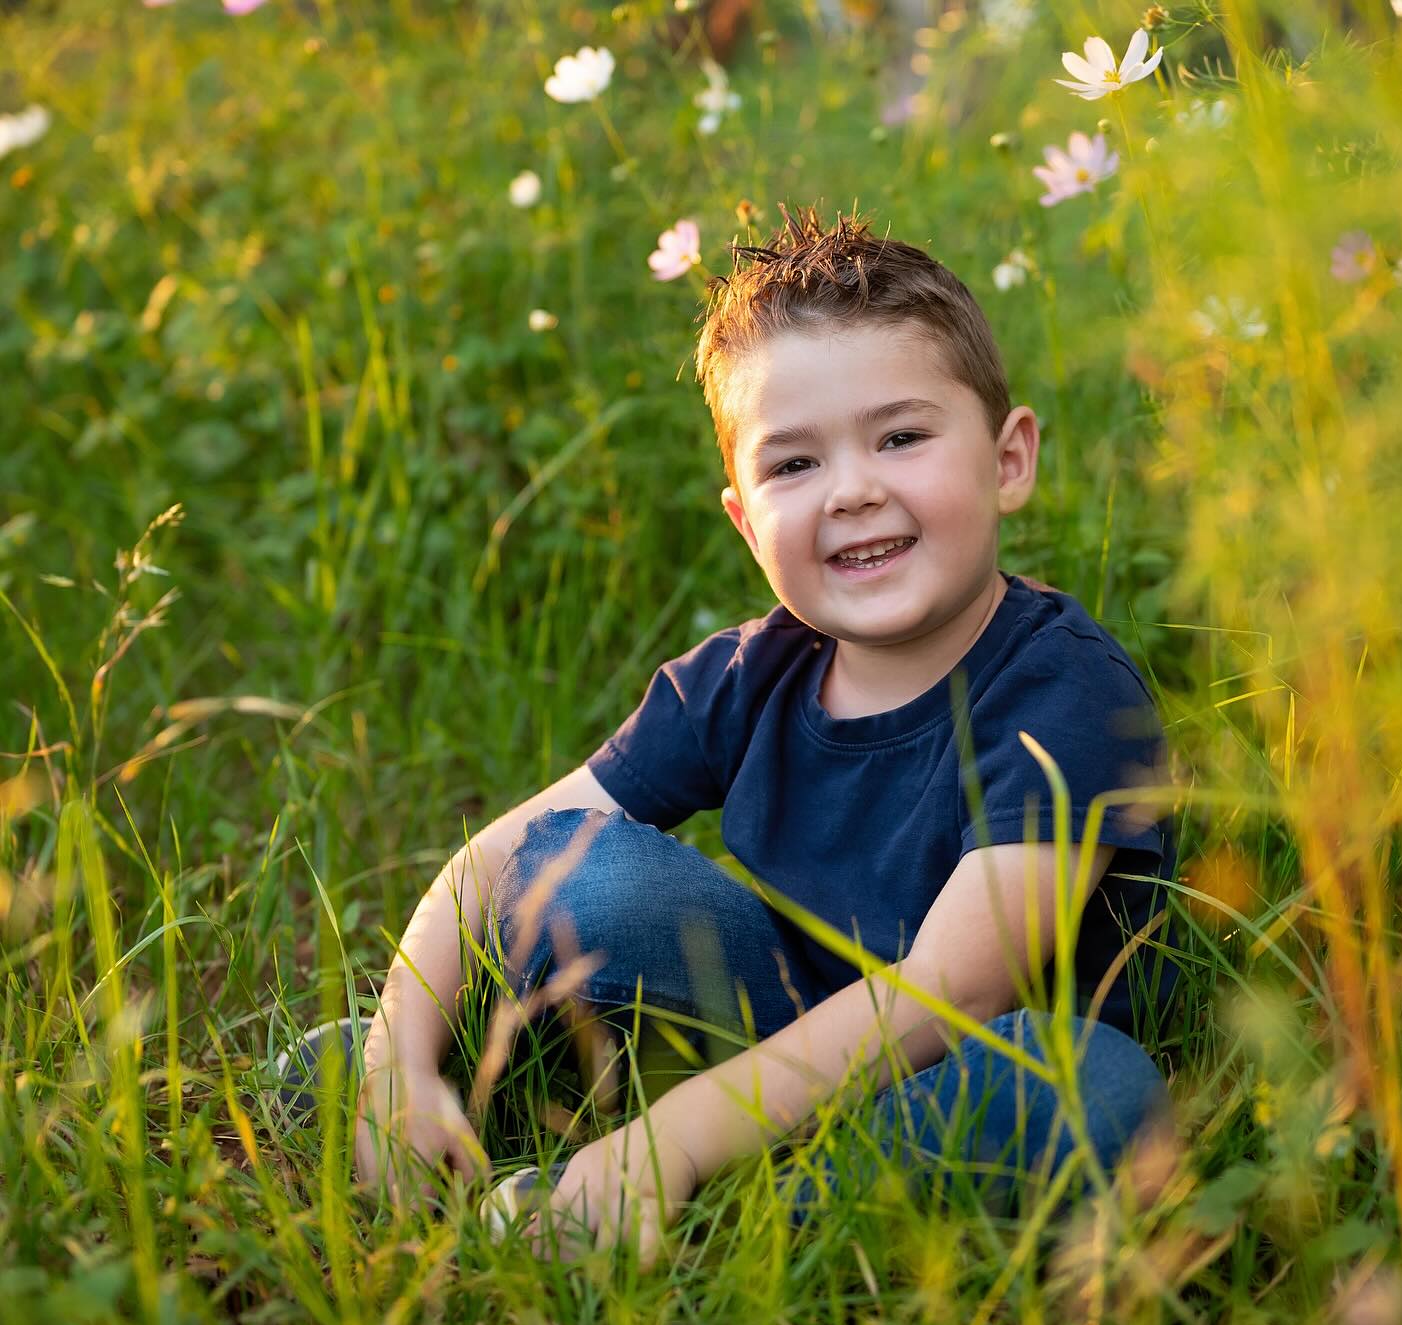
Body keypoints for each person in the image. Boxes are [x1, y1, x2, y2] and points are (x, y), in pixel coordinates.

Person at [288, 204, 1178, 1265]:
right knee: (585, 872)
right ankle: (447, 1105)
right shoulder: (751, 672)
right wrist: (396, 1055)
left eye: (900, 437)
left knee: (1095, 1091)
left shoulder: (1066, 690)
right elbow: (499, 860)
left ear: (1009, 458)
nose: (853, 490)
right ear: (747, 522)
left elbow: (959, 991)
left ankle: (697, 1205)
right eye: (794, 466)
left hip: (961, 1067)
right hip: (774, 1031)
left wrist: (672, 1143)